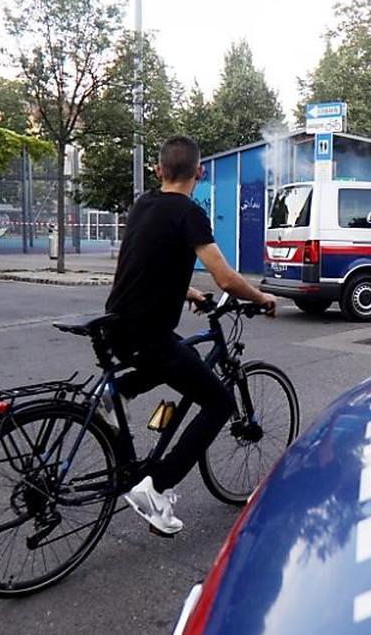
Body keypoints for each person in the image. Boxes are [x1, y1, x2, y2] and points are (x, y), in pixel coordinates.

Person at [107, 136, 277, 535]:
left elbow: (142, 266)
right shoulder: (188, 212)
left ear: (159, 170)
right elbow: (226, 278)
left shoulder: (142, 205)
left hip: (117, 325)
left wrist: (188, 292)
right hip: (147, 333)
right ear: (199, 172)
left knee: (175, 359)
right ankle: (156, 488)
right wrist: (262, 297)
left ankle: (113, 395)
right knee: (219, 401)